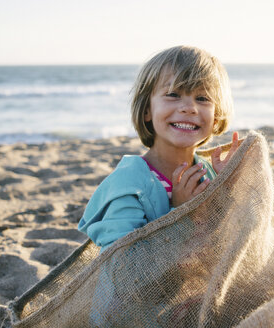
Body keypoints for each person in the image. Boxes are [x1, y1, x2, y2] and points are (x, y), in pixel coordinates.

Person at [78, 45, 239, 252]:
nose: (189, 107)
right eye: (173, 94)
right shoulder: (129, 184)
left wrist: (228, 187)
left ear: (216, 116)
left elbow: (228, 239)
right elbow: (121, 265)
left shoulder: (208, 174)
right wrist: (179, 212)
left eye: (203, 98)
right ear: (147, 110)